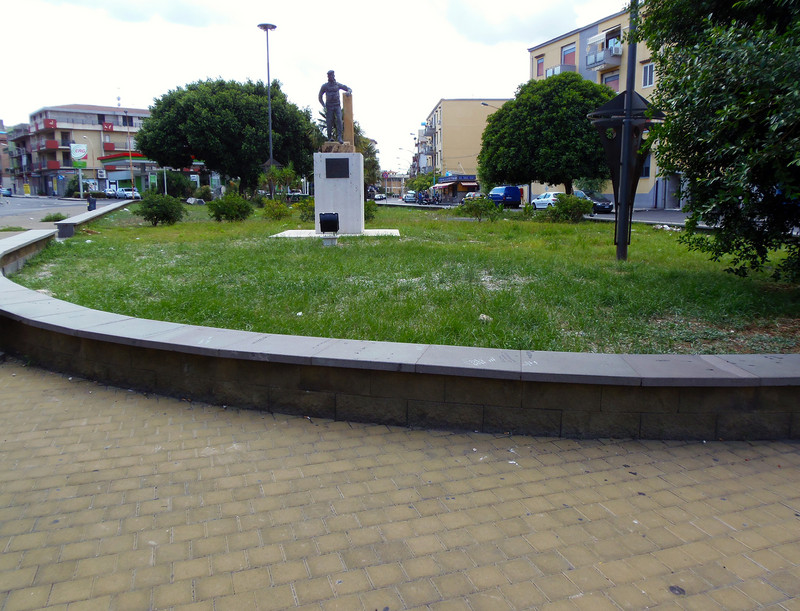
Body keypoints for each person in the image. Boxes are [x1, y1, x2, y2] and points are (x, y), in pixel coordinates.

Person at [318, 70, 352, 143]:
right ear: (328, 77)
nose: (331, 77)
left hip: (337, 105)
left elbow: (348, 88)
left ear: (334, 76)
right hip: (329, 106)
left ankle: (340, 137)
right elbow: (320, 96)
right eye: (329, 75)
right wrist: (323, 105)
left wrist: (349, 92)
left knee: (339, 119)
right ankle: (329, 137)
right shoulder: (325, 86)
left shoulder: (337, 85)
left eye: (332, 75)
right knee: (329, 122)